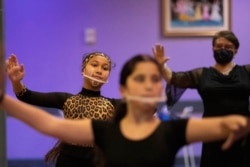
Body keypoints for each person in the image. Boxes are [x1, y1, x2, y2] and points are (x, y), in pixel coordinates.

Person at [1, 54, 250, 167]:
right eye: (139, 79)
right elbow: (43, 117)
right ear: (125, 87)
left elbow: (228, 124)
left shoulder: (172, 129)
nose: (149, 85)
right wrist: (10, 88)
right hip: (70, 160)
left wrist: (238, 125)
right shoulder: (100, 127)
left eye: (155, 79)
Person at [152, 30, 250, 167]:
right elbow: (174, 78)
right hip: (212, 133)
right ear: (213, 49)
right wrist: (162, 66)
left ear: (236, 50)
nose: (223, 50)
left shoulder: (247, 71)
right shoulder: (201, 74)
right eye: (219, 46)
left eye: (228, 47)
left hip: (243, 134)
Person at [5, 52, 121, 167]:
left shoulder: (113, 105)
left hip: (98, 162)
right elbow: (26, 96)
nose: (99, 70)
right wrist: (16, 82)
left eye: (105, 68)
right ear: (83, 69)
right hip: (68, 161)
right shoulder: (67, 100)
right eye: (94, 65)